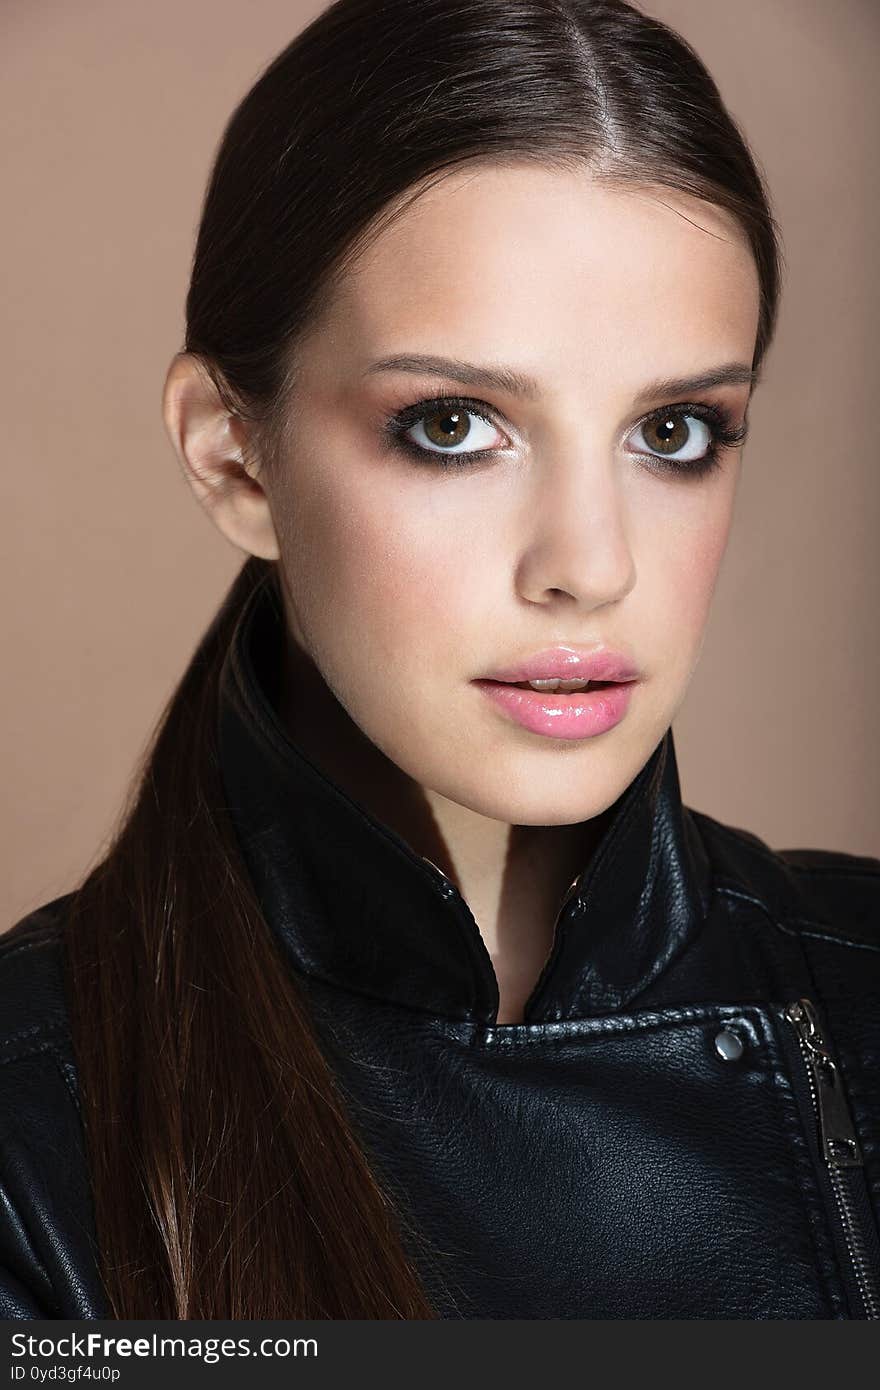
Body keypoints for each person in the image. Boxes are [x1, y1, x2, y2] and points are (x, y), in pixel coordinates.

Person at [2, 0, 878, 1322]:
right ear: (233, 452)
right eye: (456, 424)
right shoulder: (31, 1124)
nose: (591, 564)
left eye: (679, 431)